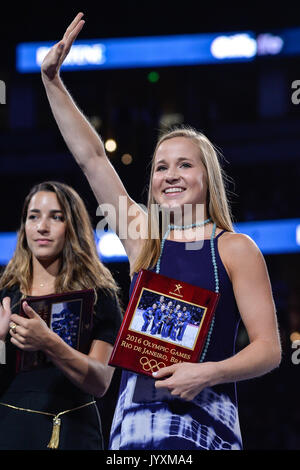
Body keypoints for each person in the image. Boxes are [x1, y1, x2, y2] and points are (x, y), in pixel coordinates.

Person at [40, 13, 281, 450]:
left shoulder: (235, 249)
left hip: (207, 418)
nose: (170, 175)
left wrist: (206, 372)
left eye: (184, 165)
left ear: (207, 178)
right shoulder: (143, 235)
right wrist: (52, 81)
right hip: (136, 421)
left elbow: (268, 349)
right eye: (160, 167)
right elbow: (93, 158)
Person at [0, 181, 122, 450]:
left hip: (73, 433)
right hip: (10, 431)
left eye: (56, 217)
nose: (42, 227)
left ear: (73, 227)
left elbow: (100, 382)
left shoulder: (100, 296)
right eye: (34, 217)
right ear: (24, 228)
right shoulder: (4, 294)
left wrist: (49, 342)